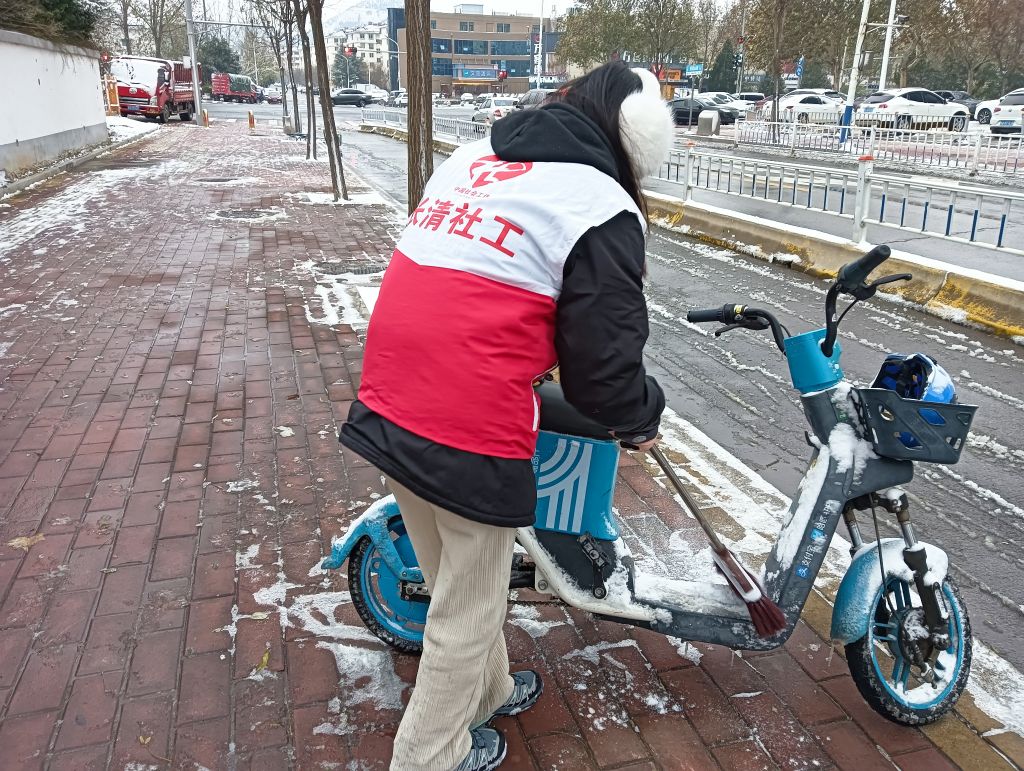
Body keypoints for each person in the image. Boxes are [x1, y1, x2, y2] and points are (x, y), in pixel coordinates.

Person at [340, 61, 672, 771]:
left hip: (390, 395)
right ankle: (427, 757)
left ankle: (487, 690)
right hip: (467, 424)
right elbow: (604, 377)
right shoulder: (599, 206)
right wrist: (642, 415)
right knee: (469, 607)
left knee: (457, 581)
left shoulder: (472, 158)